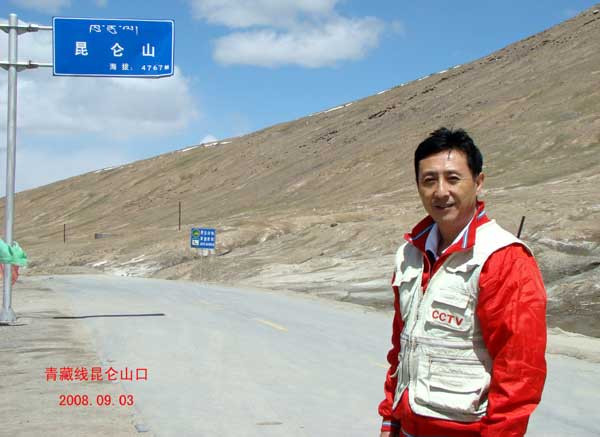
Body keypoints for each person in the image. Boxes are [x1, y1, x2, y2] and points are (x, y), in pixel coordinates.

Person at [378, 127, 547, 437]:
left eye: (453, 178)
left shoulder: (503, 258)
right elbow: (401, 349)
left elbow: (519, 371)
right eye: (429, 180)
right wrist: (390, 419)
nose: (441, 191)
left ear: (478, 182)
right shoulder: (410, 254)